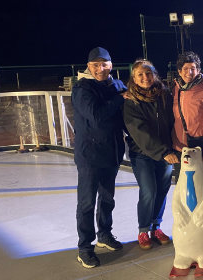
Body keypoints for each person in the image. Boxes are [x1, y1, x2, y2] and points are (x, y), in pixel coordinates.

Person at [71, 47, 127, 268]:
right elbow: (96, 116)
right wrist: (119, 99)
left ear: (111, 65)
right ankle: (85, 247)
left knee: (107, 198)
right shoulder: (82, 88)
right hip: (89, 155)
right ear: (89, 67)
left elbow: (127, 117)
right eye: (95, 65)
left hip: (111, 152)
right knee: (86, 202)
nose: (100, 69)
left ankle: (104, 234)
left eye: (104, 64)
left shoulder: (117, 85)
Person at [121, 59, 175, 250]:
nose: (145, 78)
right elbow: (139, 131)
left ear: (155, 74)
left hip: (167, 153)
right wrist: (164, 152)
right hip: (142, 153)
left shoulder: (165, 95)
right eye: (140, 75)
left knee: (162, 189)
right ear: (134, 78)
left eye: (148, 73)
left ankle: (156, 227)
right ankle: (143, 229)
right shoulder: (130, 101)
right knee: (149, 191)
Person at [169, 51, 203, 228]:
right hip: (181, 148)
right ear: (179, 71)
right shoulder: (176, 90)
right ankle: (190, 229)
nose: (189, 73)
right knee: (185, 189)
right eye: (185, 69)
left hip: (201, 146)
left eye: (193, 69)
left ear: (198, 70)